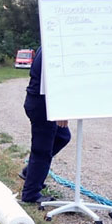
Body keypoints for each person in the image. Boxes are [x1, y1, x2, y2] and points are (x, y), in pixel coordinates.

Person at [20, 48, 71, 204]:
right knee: (42, 150)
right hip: (43, 104)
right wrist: (60, 110)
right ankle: (31, 194)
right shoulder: (52, 47)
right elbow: (52, 80)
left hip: (42, 102)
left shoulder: (52, 44)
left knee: (63, 136)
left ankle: (29, 172)